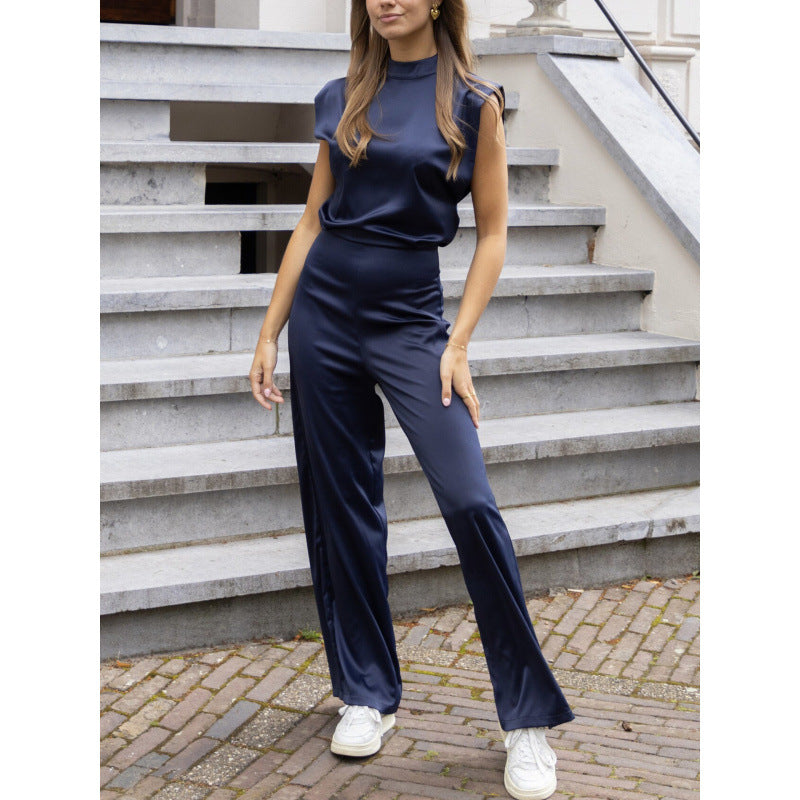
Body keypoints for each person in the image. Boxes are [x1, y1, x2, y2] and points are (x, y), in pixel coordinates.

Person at [249, 2, 575, 797]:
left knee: (469, 501)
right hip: (324, 316)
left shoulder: (474, 102)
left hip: (412, 321)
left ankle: (526, 718)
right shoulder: (342, 96)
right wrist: (269, 330)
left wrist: (457, 344)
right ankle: (366, 692)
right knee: (343, 505)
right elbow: (311, 221)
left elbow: (493, 233)